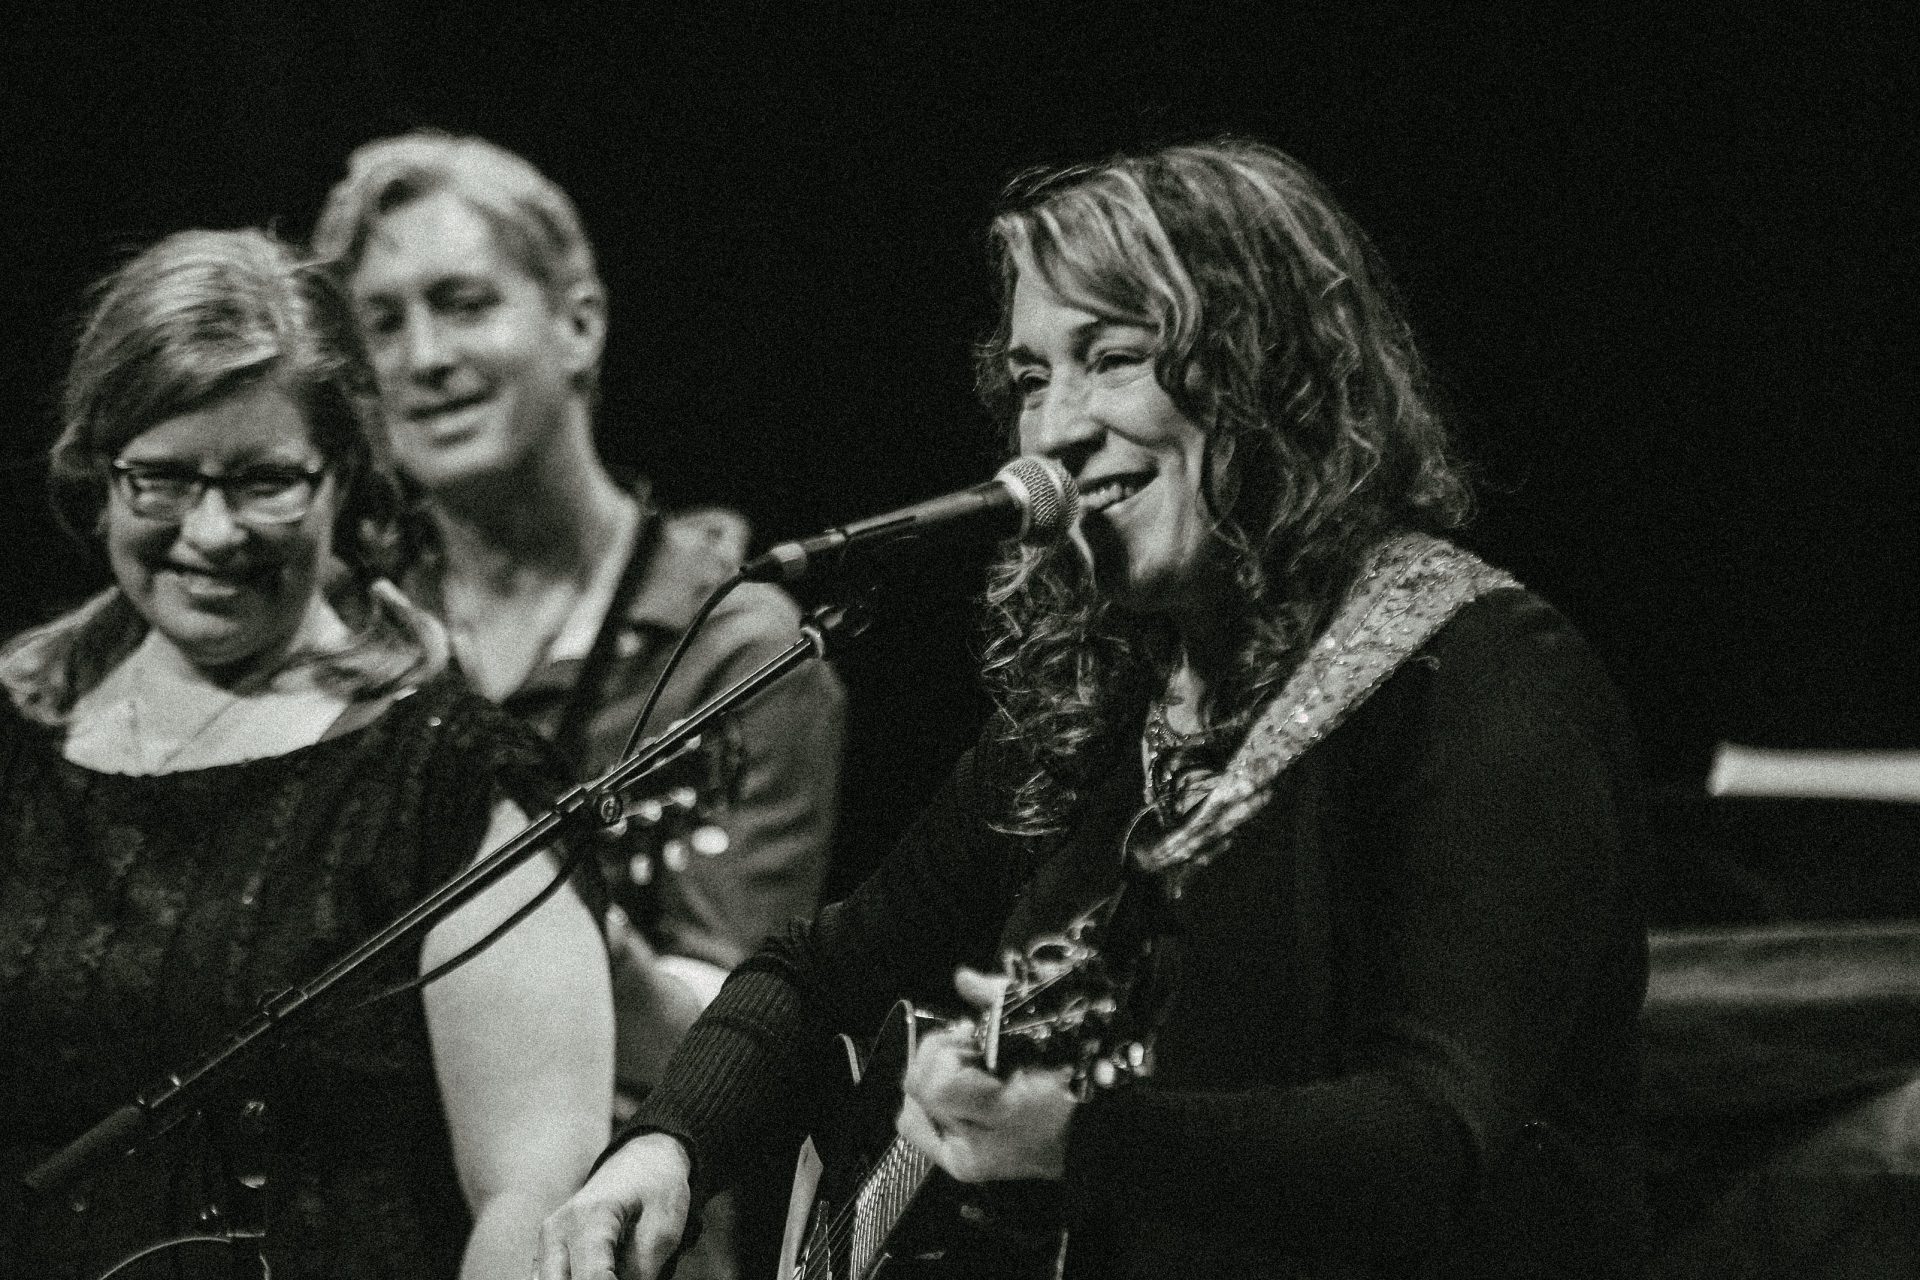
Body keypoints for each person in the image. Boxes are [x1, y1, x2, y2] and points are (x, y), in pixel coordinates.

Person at [538, 138, 1653, 1279]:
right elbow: (819, 969)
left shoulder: (1483, 681)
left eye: (1111, 357)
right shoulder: (1100, 708)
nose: (1057, 428)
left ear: (1271, 372)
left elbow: (1427, 1138)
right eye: (1031, 378)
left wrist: (1080, 1139)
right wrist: (669, 1143)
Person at [0, 229, 613, 1278]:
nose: (211, 529)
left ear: (344, 480)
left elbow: (532, 1198)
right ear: (98, 476)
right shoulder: (20, 745)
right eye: (161, 478)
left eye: (265, 481)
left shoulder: (454, 782)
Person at [309, 133, 845, 1277]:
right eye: (382, 325)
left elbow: (726, 1039)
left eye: (462, 304)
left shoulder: (736, 647)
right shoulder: (341, 630)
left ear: (580, 323)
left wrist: (554, 927)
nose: (424, 357)